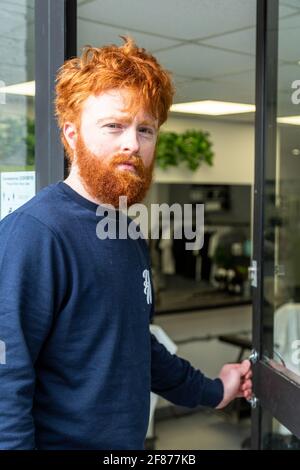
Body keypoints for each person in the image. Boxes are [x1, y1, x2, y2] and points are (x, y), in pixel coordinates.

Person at [0, 37, 252, 450]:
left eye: (145, 129)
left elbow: (136, 344)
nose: (132, 144)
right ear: (71, 135)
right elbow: (5, 383)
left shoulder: (128, 233)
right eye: (114, 125)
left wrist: (213, 390)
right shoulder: (34, 234)